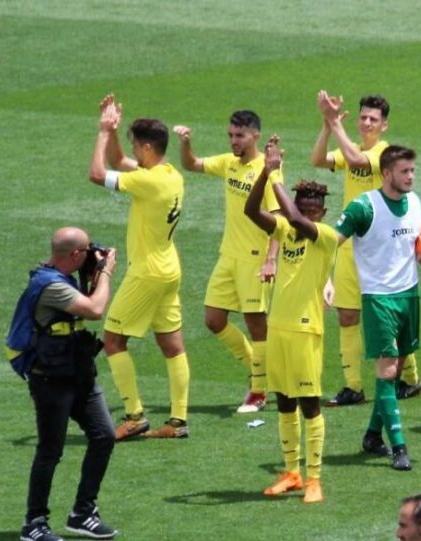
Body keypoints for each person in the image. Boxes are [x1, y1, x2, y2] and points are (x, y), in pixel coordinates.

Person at [334, 144, 421, 470]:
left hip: (409, 297)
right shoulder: (363, 207)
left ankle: (371, 436)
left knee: (392, 376)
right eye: (405, 171)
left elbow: (420, 249)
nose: (411, 176)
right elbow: (328, 243)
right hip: (378, 299)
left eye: (413, 171)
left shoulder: (416, 204)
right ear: (387, 172)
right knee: (389, 370)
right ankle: (399, 447)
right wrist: (327, 281)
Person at [311, 91, 421, 405]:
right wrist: (326, 125)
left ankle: (411, 378)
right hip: (349, 244)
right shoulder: (351, 147)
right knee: (347, 316)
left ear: (384, 125)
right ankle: (353, 387)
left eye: (373, 119)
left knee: (392, 318)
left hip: (381, 248)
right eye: (363, 117)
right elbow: (318, 160)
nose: (367, 123)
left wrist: (336, 123)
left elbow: (358, 161)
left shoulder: (385, 155)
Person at [89, 94, 190, 440]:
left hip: (146, 272)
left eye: (135, 144)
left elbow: (97, 172)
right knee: (172, 344)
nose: (132, 151)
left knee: (114, 339)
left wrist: (102, 130)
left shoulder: (147, 182)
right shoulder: (169, 174)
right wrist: (116, 130)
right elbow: (119, 160)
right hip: (169, 269)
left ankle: (134, 416)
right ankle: (178, 422)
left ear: (146, 147)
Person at [8, 227, 118, 541]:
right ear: (74, 255)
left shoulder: (65, 278)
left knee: (104, 436)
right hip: (51, 378)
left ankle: (83, 513)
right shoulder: (50, 285)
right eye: (86, 250)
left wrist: (93, 275)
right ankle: (34, 523)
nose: (91, 254)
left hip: (78, 372)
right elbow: (95, 310)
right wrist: (106, 272)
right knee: (50, 450)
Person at [245, 137, 337, 504]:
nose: (309, 213)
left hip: (305, 330)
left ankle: (314, 478)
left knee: (309, 404)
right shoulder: (285, 232)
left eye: (315, 209)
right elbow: (252, 212)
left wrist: (277, 173)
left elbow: (296, 219)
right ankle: (291, 472)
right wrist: (264, 176)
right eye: (305, 207)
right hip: (277, 328)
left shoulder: (326, 237)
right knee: (283, 401)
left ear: (322, 214)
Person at [174, 111, 280, 413]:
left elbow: (279, 219)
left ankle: (259, 391)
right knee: (213, 319)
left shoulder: (268, 169)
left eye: (240, 136)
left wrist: (271, 260)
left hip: (255, 259)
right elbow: (191, 164)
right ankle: (258, 368)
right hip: (228, 255)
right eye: (231, 135)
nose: (234, 141)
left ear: (255, 136)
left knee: (256, 325)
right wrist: (185, 143)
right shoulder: (229, 163)